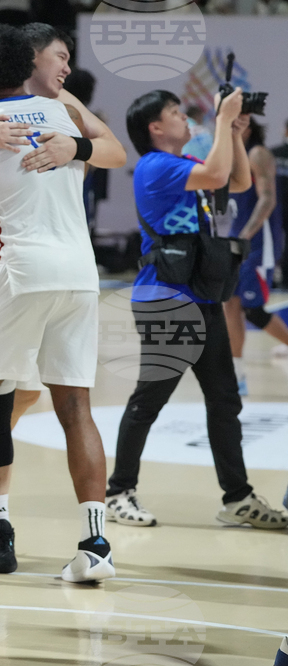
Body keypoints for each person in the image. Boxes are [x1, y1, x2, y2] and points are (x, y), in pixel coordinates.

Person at [0, 22, 127, 574]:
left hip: (15, 270)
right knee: (76, 408)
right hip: (80, 274)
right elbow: (110, 148)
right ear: (29, 65)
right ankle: (96, 547)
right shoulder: (63, 113)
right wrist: (76, 146)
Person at [107, 89, 287, 530]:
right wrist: (224, 121)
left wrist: (235, 133)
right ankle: (118, 491)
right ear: (155, 127)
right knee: (150, 399)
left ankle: (238, 498)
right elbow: (218, 172)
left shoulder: (185, 165)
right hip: (168, 299)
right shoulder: (156, 166)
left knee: (224, 400)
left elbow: (238, 182)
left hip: (201, 297)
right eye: (175, 113)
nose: (185, 119)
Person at [223, 118, 288, 396]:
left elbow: (267, 199)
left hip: (259, 241)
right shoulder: (231, 153)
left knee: (253, 310)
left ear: (246, 125)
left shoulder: (258, 153)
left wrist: (245, 236)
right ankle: (237, 376)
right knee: (231, 305)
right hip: (238, 239)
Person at [273, 120, 288, 289]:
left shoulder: (272, 153)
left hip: (274, 207)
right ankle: (279, 279)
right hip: (273, 208)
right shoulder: (272, 154)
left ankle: (282, 279)